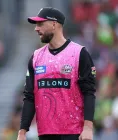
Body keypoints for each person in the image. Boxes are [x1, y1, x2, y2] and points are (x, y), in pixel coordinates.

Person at [17, 7, 96, 140]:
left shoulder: (79, 54)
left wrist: (88, 127)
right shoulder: (36, 57)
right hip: (45, 134)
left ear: (54, 24)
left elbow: (89, 92)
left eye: (40, 24)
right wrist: (22, 132)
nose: (36, 29)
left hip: (74, 132)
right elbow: (30, 96)